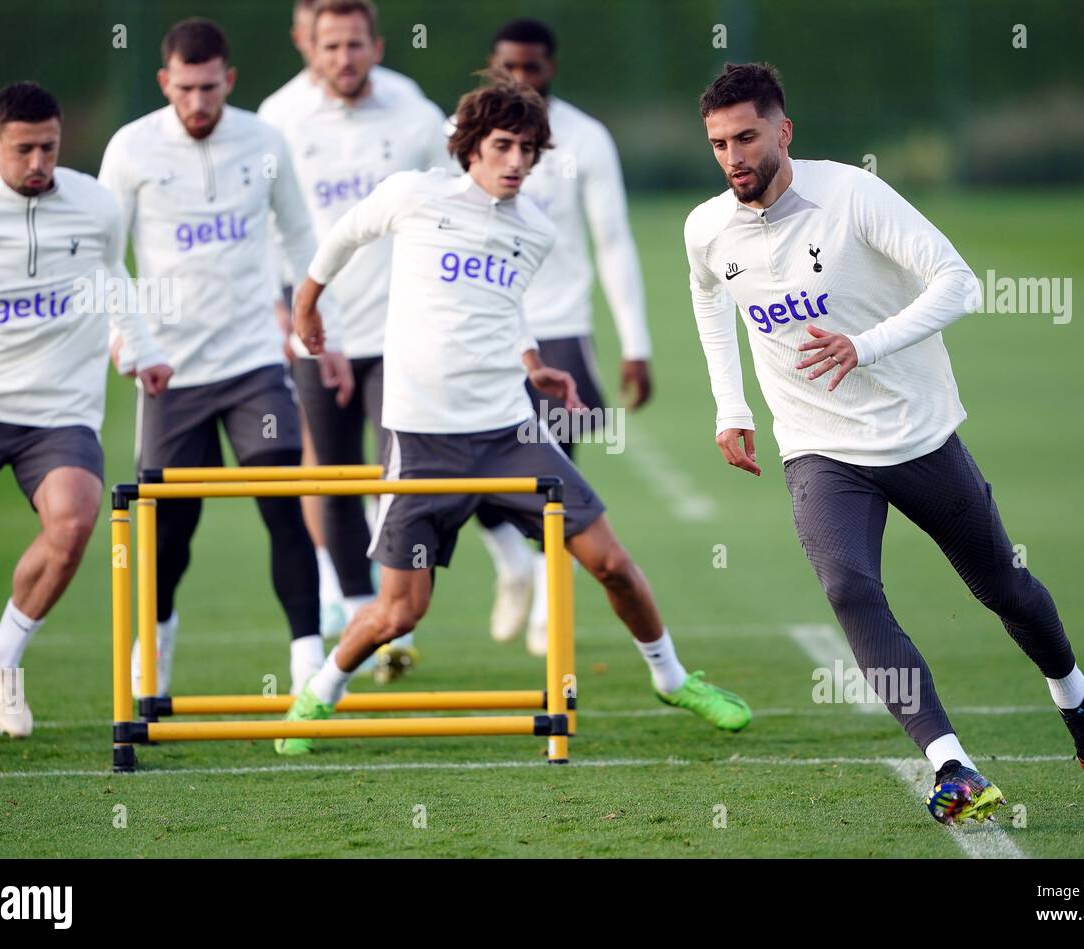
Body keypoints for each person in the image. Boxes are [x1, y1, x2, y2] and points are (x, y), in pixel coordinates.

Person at [685, 63, 1084, 824]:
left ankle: (1076, 701)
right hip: (818, 446)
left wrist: (866, 345)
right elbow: (707, 293)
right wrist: (732, 405)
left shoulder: (853, 195)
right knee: (849, 587)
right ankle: (951, 763)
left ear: (783, 132)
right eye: (719, 143)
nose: (733, 158)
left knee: (1005, 591)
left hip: (917, 435)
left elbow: (958, 282)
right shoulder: (707, 226)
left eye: (747, 138)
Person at [277, 75, 752, 754]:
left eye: (529, 149)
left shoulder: (535, 227)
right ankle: (319, 691)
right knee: (400, 610)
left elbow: (503, 306)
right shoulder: (415, 196)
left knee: (611, 561)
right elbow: (344, 236)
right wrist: (306, 305)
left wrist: (532, 363)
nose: (516, 161)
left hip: (509, 434)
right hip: (422, 441)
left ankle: (672, 677)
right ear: (471, 145)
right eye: (503, 145)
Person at [0, 82, 172, 736]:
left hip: (60, 409)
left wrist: (141, 348)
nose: (38, 162)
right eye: (23, 148)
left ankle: (0, 658)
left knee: (74, 522)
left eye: (50, 148)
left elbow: (113, 273)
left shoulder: (94, 204)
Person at [101, 18, 326, 698]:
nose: (198, 103)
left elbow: (301, 234)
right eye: (185, 88)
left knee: (282, 502)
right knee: (170, 528)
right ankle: (155, 658)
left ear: (229, 79)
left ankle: (308, 667)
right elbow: (102, 253)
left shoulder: (264, 140)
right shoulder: (132, 147)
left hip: (255, 361)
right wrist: (131, 337)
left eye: (210, 88)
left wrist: (314, 321)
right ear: (164, 80)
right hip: (171, 371)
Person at [261, 0, 450, 683]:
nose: (342, 57)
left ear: (377, 44)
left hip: (404, 332)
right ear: (309, 46)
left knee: (400, 477)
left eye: (354, 44)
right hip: (319, 331)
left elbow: (455, 203)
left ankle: (395, 607)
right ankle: (363, 608)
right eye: (329, 44)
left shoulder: (416, 113)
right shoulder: (277, 119)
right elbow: (264, 226)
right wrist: (286, 310)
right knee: (333, 476)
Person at [473, 18, 654, 657]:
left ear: (551, 67)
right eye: (508, 66)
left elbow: (613, 241)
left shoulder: (585, 138)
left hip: (560, 332)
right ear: (491, 67)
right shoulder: (460, 134)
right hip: (483, 328)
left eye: (532, 67)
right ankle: (513, 565)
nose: (520, 79)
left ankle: (551, 608)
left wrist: (636, 343)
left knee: (556, 484)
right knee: (471, 477)